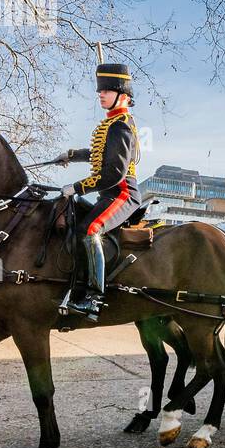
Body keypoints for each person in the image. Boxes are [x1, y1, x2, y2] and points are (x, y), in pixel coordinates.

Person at [58, 64, 141, 320]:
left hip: (122, 193)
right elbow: (98, 154)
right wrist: (71, 155)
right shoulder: (112, 123)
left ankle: (94, 299)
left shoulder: (122, 125)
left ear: (123, 95)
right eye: (101, 91)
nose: (101, 95)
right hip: (108, 194)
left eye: (107, 90)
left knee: (91, 229)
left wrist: (76, 187)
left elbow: (113, 174)